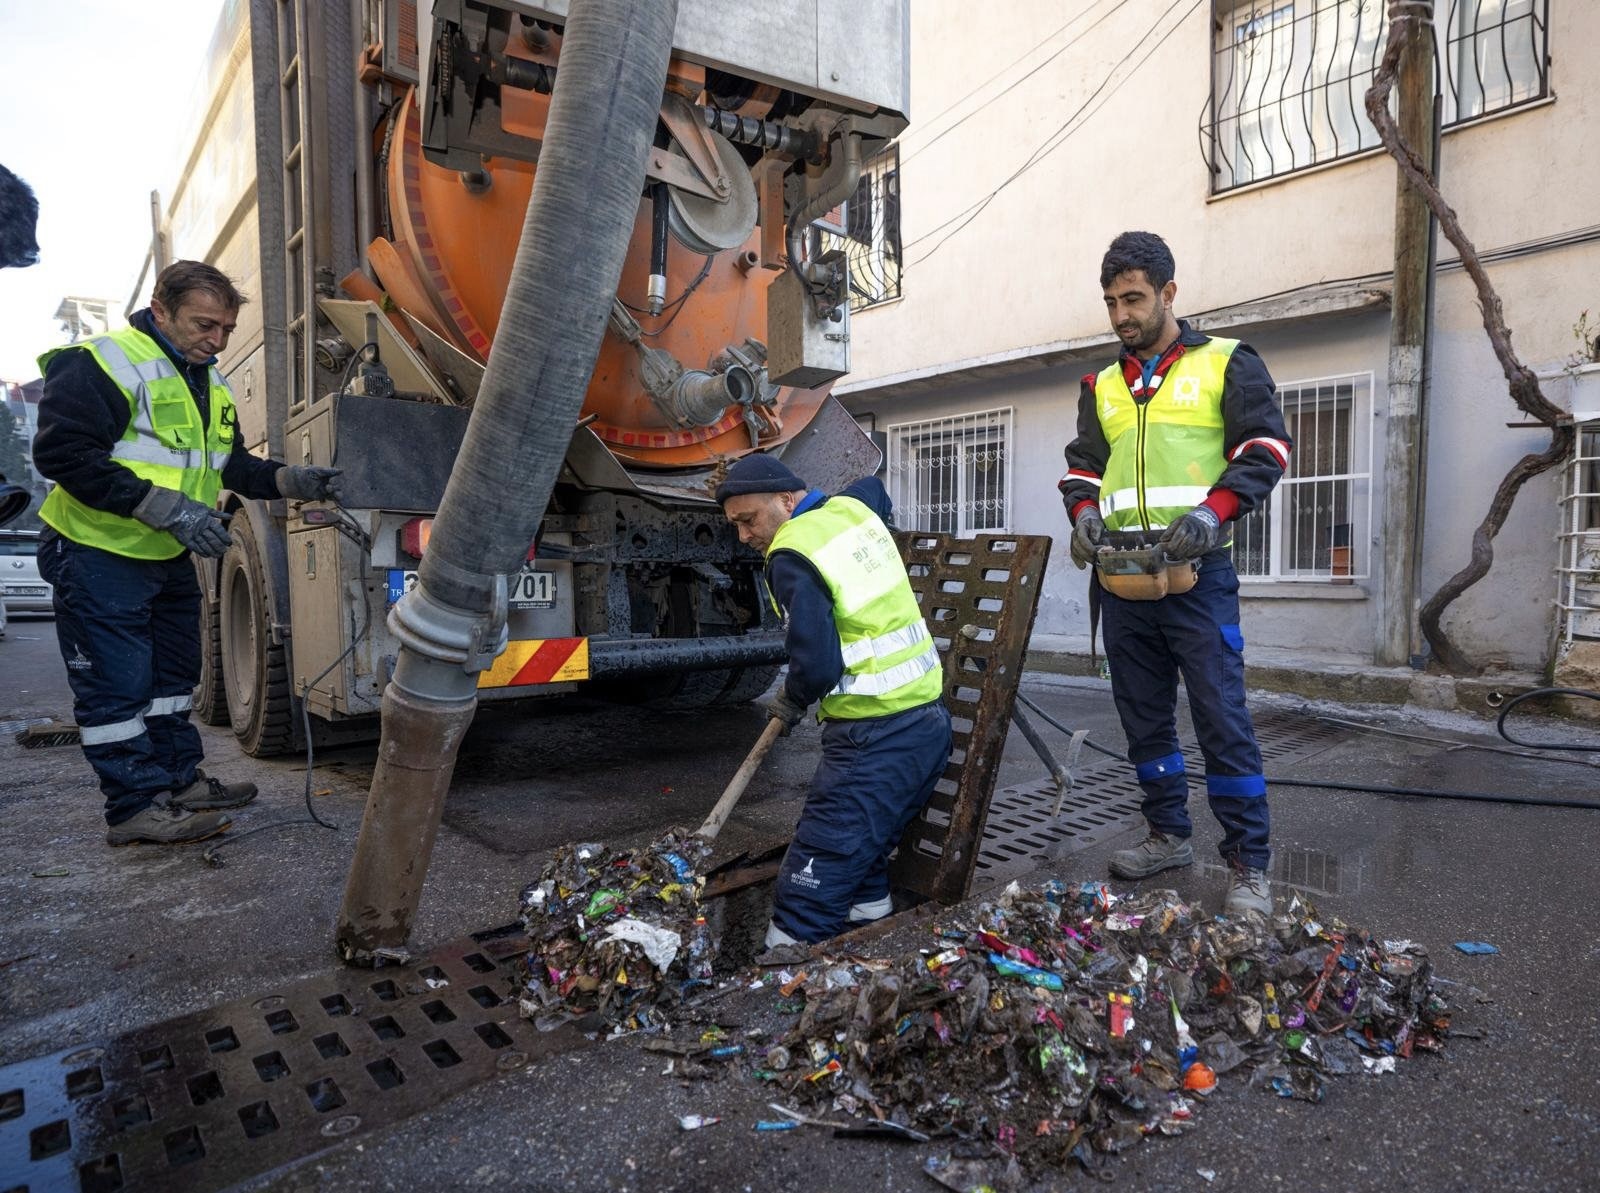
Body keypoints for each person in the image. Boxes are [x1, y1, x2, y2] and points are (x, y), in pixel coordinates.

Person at [32, 260, 343, 847]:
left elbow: (226, 465)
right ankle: (132, 810)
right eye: (204, 324)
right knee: (117, 686)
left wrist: (290, 480)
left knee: (173, 678)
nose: (217, 340)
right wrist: (166, 509)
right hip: (97, 551)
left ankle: (176, 783)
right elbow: (63, 453)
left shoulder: (204, 378)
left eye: (225, 328)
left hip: (161, 555)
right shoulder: (102, 361)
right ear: (161, 311)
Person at [1058, 231, 1292, 916]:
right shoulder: (1100, 384)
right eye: (1111, 302)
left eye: (1133, 298)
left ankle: (1248, 864)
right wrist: (1082, 511)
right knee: (1142, 717)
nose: (1121, 315)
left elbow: (1265, 447)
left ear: (1168, 293)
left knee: (1221, 716)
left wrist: (1214, 513)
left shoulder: (1228, 363)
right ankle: (1167, 834)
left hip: (1197, 576)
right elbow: (1082, 466)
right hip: (1122, 581)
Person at [716, 454, 952, 947]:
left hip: (874, 737)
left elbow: (818, 665)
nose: (743, 536)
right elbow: (874, 487)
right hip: (927, 726)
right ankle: (871, 929)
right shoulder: (853, 511)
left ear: (786, 500)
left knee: (818, 863)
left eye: (747, 520)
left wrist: (793, 697)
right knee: (864, 851)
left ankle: (779, 974)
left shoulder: (790, 555)